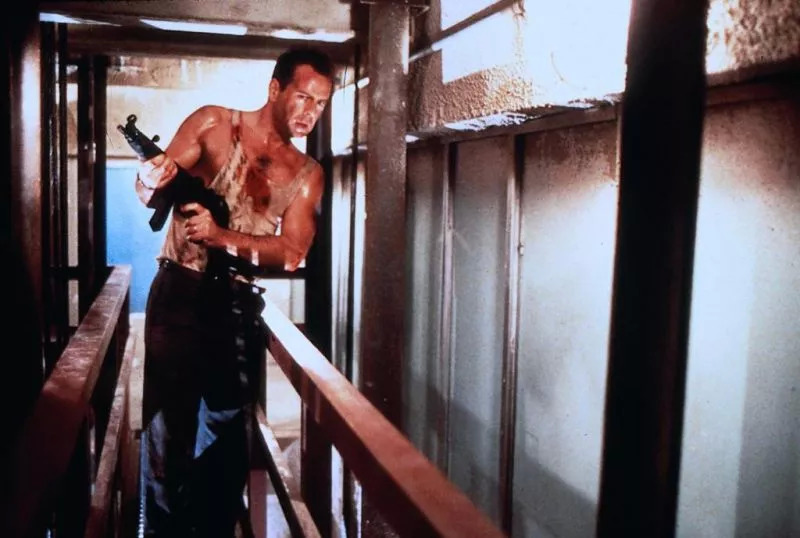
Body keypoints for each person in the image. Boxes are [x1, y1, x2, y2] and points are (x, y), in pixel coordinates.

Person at [133, 46, 334, 537]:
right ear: (275, 89)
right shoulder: (214, 124)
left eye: (320, 103)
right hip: (180, 291)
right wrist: (147, 178)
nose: (309, 112)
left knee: (226, 439)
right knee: (166, 430)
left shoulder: (307, 174)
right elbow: (155, 189)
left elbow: (292, 252)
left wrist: (222, 236)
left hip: (235, 305)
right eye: (302, 97)